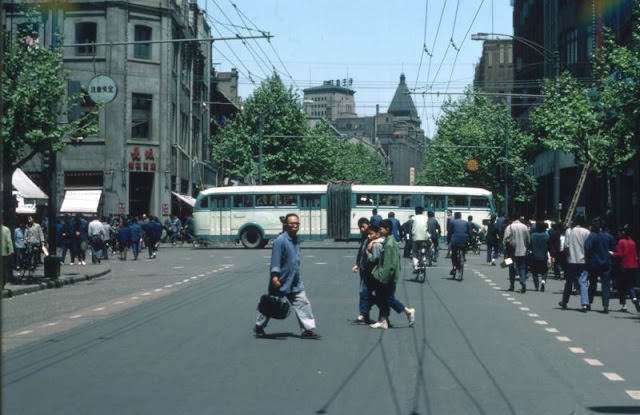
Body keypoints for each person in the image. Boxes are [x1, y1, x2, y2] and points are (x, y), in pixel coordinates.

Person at [253, 213, 321, 339]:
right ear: (286, 225)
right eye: (292, 224)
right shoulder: (280, 241)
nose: (295, 226)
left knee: (303, 303)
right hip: (281, 279)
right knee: (272, 304)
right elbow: (275, 260)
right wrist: (274, 277)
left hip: (294, 279)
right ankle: (259, 326)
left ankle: (307, 330)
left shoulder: (295, 239)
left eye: (297, 224)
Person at [367, 220, 415, 329]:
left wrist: (382, 279)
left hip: (387, 277)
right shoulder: (390, 240)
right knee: (384, 298)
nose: (379, 231)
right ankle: (384, 320)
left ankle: (407, 311)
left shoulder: (389, 244)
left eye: (381, 229)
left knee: (387, 298)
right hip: (390, 276)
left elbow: (388, 264)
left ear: (387, 229)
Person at [558, 215, 590, 311]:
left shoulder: (569, 231)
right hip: (583, 260)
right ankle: (585, 303)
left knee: (569, 282)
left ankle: (564, 301)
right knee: (583, 282)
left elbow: (566, 246)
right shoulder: (587, 232)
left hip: (571, 260)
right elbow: (588, 247)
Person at [585, 219, 615, 313]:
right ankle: (605, 305)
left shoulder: (593, 236)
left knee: (592, 284)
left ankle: (589, 303)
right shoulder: (610, 237)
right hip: (606, 263)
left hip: (594, 263)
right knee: (606, 285)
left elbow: (587, 248)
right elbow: (613, 250)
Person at [611, 224, 640, 313]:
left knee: (621, 286)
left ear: (623, 232)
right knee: (630, 285)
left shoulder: (621, 242)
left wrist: (612, 253)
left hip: (624, 266)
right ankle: (634, 298)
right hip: (633, 266)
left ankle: (624, 305)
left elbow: (619, 254)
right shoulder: (633, 242)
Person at [351, 218, 374, 324]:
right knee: (364, 291)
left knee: (365, 291)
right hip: (364, 268)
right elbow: (360, 251)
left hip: (370, 269)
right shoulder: (365, 236)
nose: (362, 229)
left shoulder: (372, 235)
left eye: (363, 226)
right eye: (360, 227)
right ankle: (364, 314)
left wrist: (374, 240)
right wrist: (357, 264)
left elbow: (382, 239)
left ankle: (364, 314)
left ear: (368, 225)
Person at [503, 214, 531, 292]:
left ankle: (512, 285)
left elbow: (505, 240)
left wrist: (505, 252)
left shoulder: (509, 227)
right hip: (522, 251)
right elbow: (528, 240)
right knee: (522, 267)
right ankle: (523, 281)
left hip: (511, 252)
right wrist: (527, 248)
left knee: (511, 268)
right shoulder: (524, 227)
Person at [448, 212, 472, 280]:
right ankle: (463, 257)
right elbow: (469, 232)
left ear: (455, 216)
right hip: (464, 240)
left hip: (455, 240)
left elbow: (450, 232)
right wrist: (470, 239)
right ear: (460, 216)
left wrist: (448, 240)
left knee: (454, 254)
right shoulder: (465, 222)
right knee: (464, 249)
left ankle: (454, 267)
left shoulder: (452, 222)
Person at [530, 221, 550, 291]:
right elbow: (549, 247)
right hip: (544, 256)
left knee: (534, 272)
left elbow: (529, 246)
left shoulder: (532, 235)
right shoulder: (547, 236)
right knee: (544, 270)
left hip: (534, 256)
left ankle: (536, 286)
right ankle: (543, 281)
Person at [411, 206, 430, 271]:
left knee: (415, 252)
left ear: (415, 211)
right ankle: (425, 258)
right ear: (422, 212)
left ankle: (416, 266)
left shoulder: (413, 218)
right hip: (425, 237)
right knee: (426, 248)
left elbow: (410, 228)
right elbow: (428, 228)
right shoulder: (426, 218)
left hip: (416, 238)